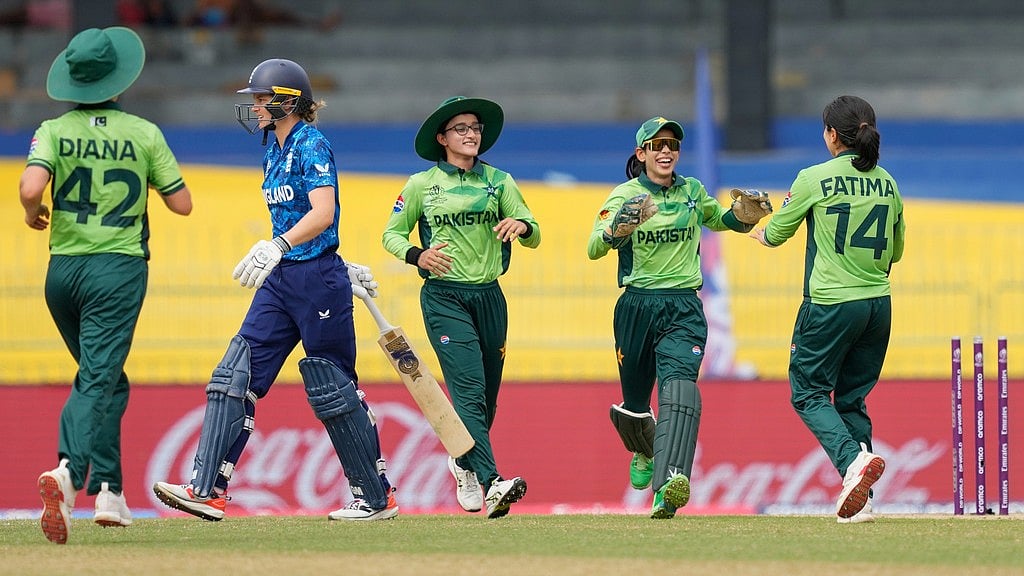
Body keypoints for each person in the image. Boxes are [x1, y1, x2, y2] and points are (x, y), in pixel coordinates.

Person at [152, 58, 396, 522]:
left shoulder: (311, 143)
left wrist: (299, 251)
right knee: (234, 375)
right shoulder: (273, 148)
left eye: (263, 99)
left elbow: (323, 213)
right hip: (283, 277)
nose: (256, 107)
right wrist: (281, 252)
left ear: (288, 101)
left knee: (332, 386)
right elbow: (298, 217)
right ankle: (207, 491)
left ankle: (375, 497)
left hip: (316, 281)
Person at [22, 27, 193, 544]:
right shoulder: (143, 132)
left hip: (62, 270)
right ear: (121, 79)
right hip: (116, 270)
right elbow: (182, 204)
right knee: (98, 380)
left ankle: (112, 494)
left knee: (107, 379)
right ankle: (70, 473)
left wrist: (36, 213)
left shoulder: (52, 129)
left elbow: (30, 187)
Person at [587, 116, 770, 520]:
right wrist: (618, 230)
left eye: (672, 144)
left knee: (679, 391)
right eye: (657, 145)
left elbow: (719, 220)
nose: (666, 150)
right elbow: (593, 248)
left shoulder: (692, 191)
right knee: (635, 407)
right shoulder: (625, 194)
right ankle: (642, 447)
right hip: (636, 306)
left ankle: (669, 483)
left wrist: (745, 216)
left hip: (684, 307)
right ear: (642, 154)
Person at [382, 96, 541, 519]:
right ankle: (491, 482)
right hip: (444, 297)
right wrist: (418, 256)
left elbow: (534, 231)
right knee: (469, 391)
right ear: (442, 138)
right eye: (461, 129)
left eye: (475, 128)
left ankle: (462, 459)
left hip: (490, 296)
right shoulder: (421, 184)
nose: (471, 134)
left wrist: (520, 225)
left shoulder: (500, 182)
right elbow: (391, 235)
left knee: (486, 399)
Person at [751, 95, 903, 524]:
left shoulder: (814, 177)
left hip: (831, 304)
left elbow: (778, 233)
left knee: (808, 391)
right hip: (878, 303)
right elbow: (897, 249)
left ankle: (853, 463)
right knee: (852, 399)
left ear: (833, 136)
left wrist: (759, 233)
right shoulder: (888, 182)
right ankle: (862, 501)